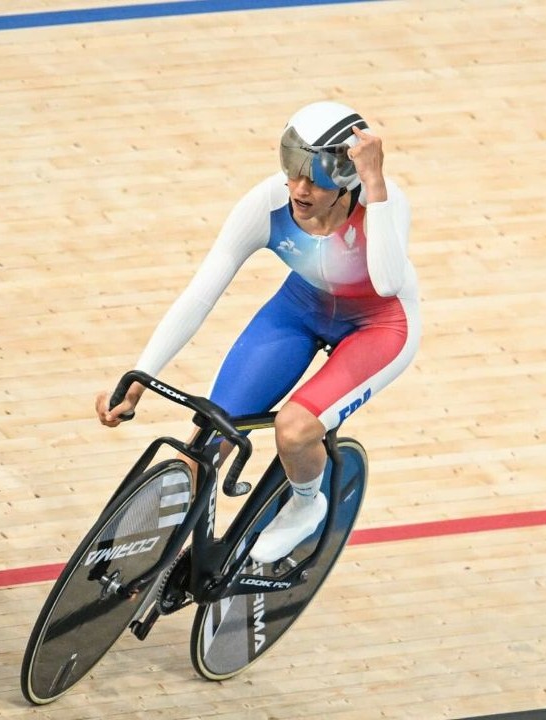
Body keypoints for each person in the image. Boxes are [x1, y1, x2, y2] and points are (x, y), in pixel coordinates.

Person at [96, 100, 421, 563]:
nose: (300, 187)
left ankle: (307, 504)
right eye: (292, 167)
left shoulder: (383, 203)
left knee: (293, 430)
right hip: (300, 309)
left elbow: (388, 281)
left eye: (316, 175)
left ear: (347, 177)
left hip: (378, 326)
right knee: (209, 436)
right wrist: (136, 379)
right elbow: (199, 295)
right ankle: (143, 568)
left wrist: (375, 183)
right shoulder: (268, 202)